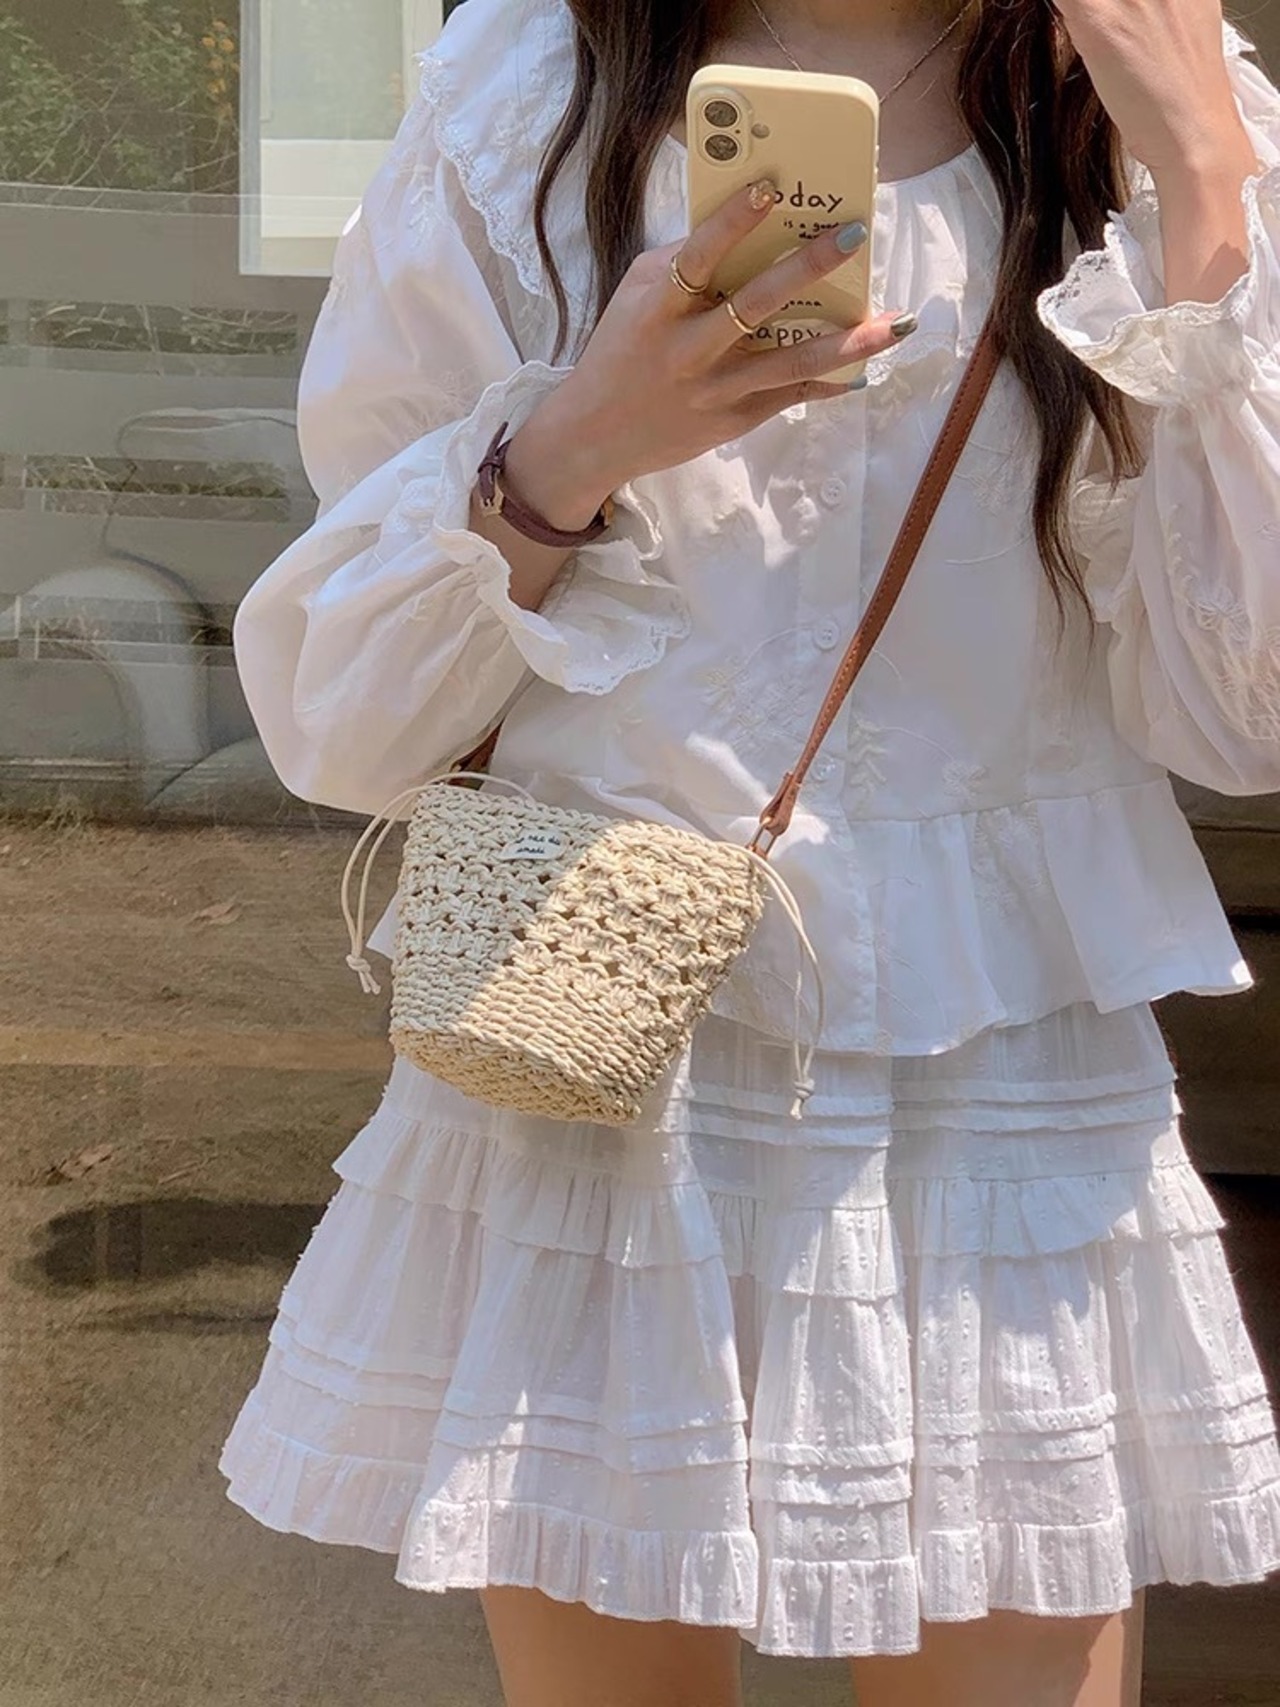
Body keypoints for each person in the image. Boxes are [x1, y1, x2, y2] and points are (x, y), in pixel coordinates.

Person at [219, 0, 1280, 1702]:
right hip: (601, 1036)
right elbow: (344, 718)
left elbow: (1247, 716)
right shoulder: (533, 87)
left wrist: (1206, 198)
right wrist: (580, 441)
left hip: (1006, 1065)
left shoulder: (1158, 84)